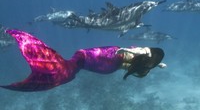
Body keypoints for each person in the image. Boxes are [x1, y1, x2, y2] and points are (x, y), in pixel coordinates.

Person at [0, 30, 166, 92]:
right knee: (73, 67)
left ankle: (48, 67)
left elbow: (136, 51)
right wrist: (157, 65)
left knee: (75, 61)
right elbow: (142, 60)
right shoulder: (146, 63)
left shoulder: (144, 52)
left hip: (109, 56)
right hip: (109, 67)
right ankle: (52, 75)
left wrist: (125, 50)